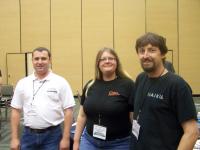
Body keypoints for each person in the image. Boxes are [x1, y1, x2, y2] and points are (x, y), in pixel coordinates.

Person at [132, 32, 199, 150]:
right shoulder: (140, 78)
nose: (145, 55)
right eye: (142, 51)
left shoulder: (177, 85)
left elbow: (192, 133)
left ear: (163, 54)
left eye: (152, 50)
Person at [10, 47, 75, 150]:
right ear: (32, 61)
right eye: (36, 59)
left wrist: (66, 138)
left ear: (50, 60)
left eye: (43, 58)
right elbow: (15, 111)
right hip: (28, 136)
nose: (40, 62)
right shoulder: (23, 83)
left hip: (53, 136)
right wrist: (14, 138)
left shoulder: (60, 82)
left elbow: (69, 110)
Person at [73, 47, 135, 150]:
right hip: (90, 142)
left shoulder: (128, 85)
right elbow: (82, 116)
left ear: (116, 62)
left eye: (111, 58)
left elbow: (133, 118)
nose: (107, 61)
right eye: (103, 59)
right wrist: (75, 142)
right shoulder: (90, 85)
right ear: (98, 63)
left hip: (119, 144)